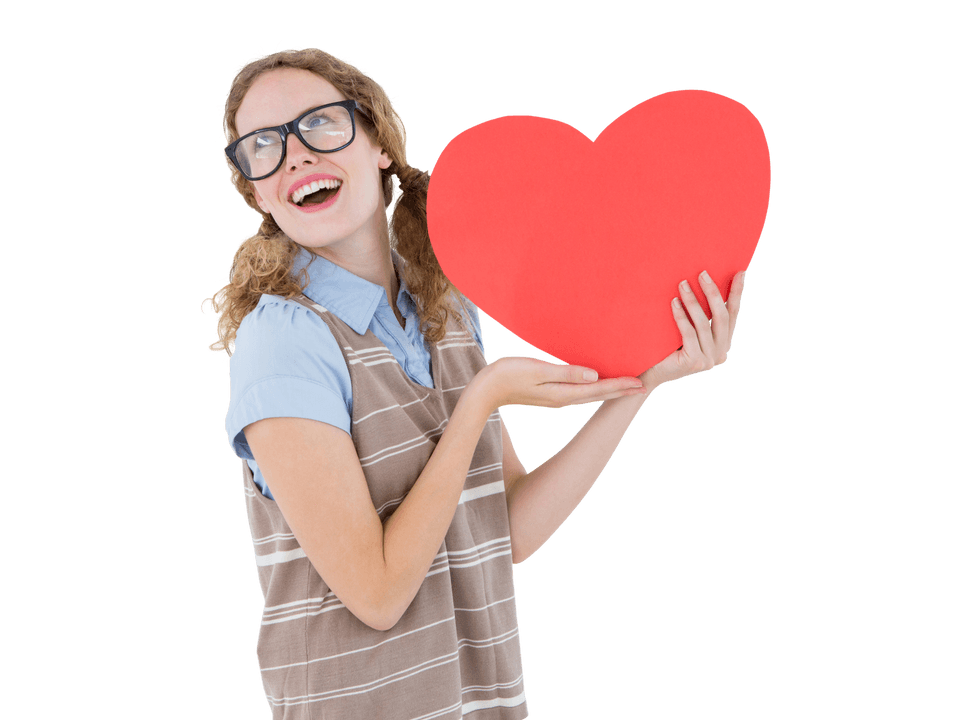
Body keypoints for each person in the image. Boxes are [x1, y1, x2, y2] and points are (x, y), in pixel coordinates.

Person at [205, 46, 746, 720]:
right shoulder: (282, 339)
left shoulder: (446, 310)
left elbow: (506, 528)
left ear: (376, 141)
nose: (296, 156)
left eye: (320, 124)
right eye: (263, 147)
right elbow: (375, 596)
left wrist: (642, 384)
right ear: (255, 190)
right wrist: (481, 400)